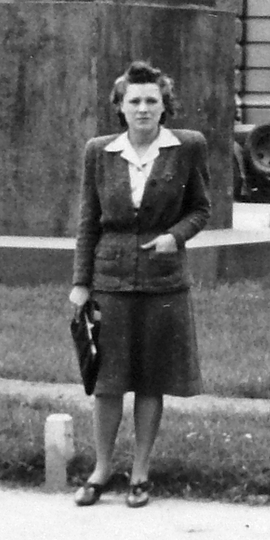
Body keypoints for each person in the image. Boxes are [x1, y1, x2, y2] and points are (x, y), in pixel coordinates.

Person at [69, 61, 210, 508]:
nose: (144, 108)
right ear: (120, 107)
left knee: (151, 381)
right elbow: (88, 222)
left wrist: (176, 237)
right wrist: (81, 283)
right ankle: (101, 470)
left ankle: (141, 471)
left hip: (163, 283)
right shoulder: (99, 151)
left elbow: (200, 209)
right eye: (135, 101)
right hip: (110, 281)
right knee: (108, 382)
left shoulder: (187, 147)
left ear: (165, 106)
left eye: (152, 100)